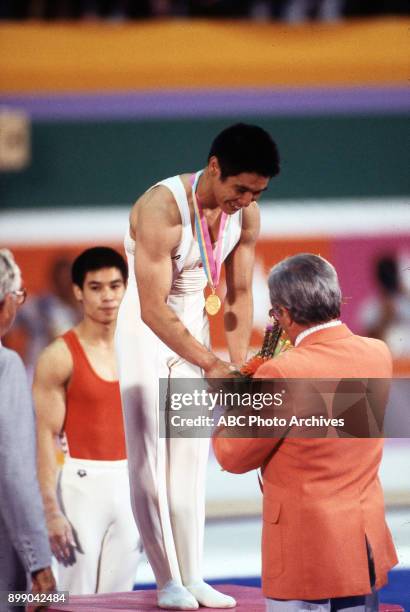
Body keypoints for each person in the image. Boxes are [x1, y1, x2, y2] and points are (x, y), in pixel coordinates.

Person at [115, 123, 280, 609]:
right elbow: (150, 307)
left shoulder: (245, 217)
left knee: (188, 462)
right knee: (148, 461)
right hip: (146, 335)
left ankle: (195, 575)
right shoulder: (161, 209)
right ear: (214, 168)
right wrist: (210, 362)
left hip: (196, 337)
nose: (247, 201)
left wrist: (236, 363)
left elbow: (241, 293)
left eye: (257, 192)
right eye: (240, 188)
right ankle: (166, 580)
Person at [213, 253, 398, 612]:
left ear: (283, 314)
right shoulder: (378, 353)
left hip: (307, 556)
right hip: (363, 548)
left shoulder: (283, 372)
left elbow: (233, 455)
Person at [33, 247, 142, 595]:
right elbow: (46, 438)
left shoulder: (143, 351)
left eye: (115, 286)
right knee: (74, 600)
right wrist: (51, 511)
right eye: (96, 287)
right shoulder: (58, 357)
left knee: (120, 599)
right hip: (80, 490)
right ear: (78, 291)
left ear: (126, 288)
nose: (108, 296)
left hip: (130, 488)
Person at [0, 249, 55, 612]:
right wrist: (40, 563)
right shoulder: (6, 364)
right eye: (18, 297)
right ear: (5, 300)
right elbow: (14, 469)